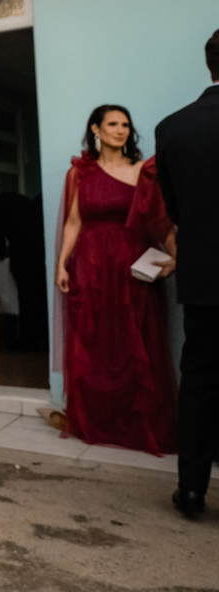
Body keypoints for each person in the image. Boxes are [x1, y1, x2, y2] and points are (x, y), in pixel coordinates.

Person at [54, 105, 177, 456]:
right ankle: (98, 422)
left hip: (132, 266)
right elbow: (73, 222)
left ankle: (136, 425)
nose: (121, 130)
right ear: (96, 129)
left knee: (135, 342)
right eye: (113, 124)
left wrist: (175, 255)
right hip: (90, 267)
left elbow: (161, 220)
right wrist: (62, 265)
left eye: (126, 125)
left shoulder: (142, 171)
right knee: (96, 344)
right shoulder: (78, 173)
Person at [156, 31, 219, 518]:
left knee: (198, 378)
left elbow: (174, 207)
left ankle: (193, 490)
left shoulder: (173, 128)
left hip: (204, 274)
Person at [0, 188, 49, 351]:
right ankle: (45, 338)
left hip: (22, 252)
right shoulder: (22, 198)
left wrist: (1, 252)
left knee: (25, 296)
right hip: (41, 249)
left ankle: (28, 340)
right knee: (41, 295)